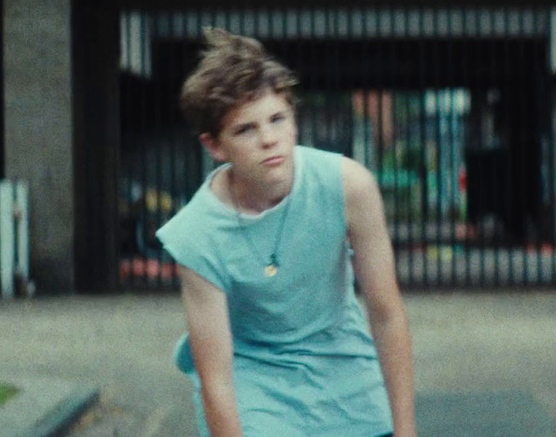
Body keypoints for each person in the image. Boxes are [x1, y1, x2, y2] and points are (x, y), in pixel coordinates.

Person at [159, 28, 417, 437]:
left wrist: (406, 433)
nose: (268, 139)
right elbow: (217, 378)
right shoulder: (196, 234)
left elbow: (386, 316)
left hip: (341, 362)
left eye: (278, 119)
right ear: (215, 147)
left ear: (294, 119)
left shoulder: (349, 187)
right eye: (246, 130)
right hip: (254, 373)